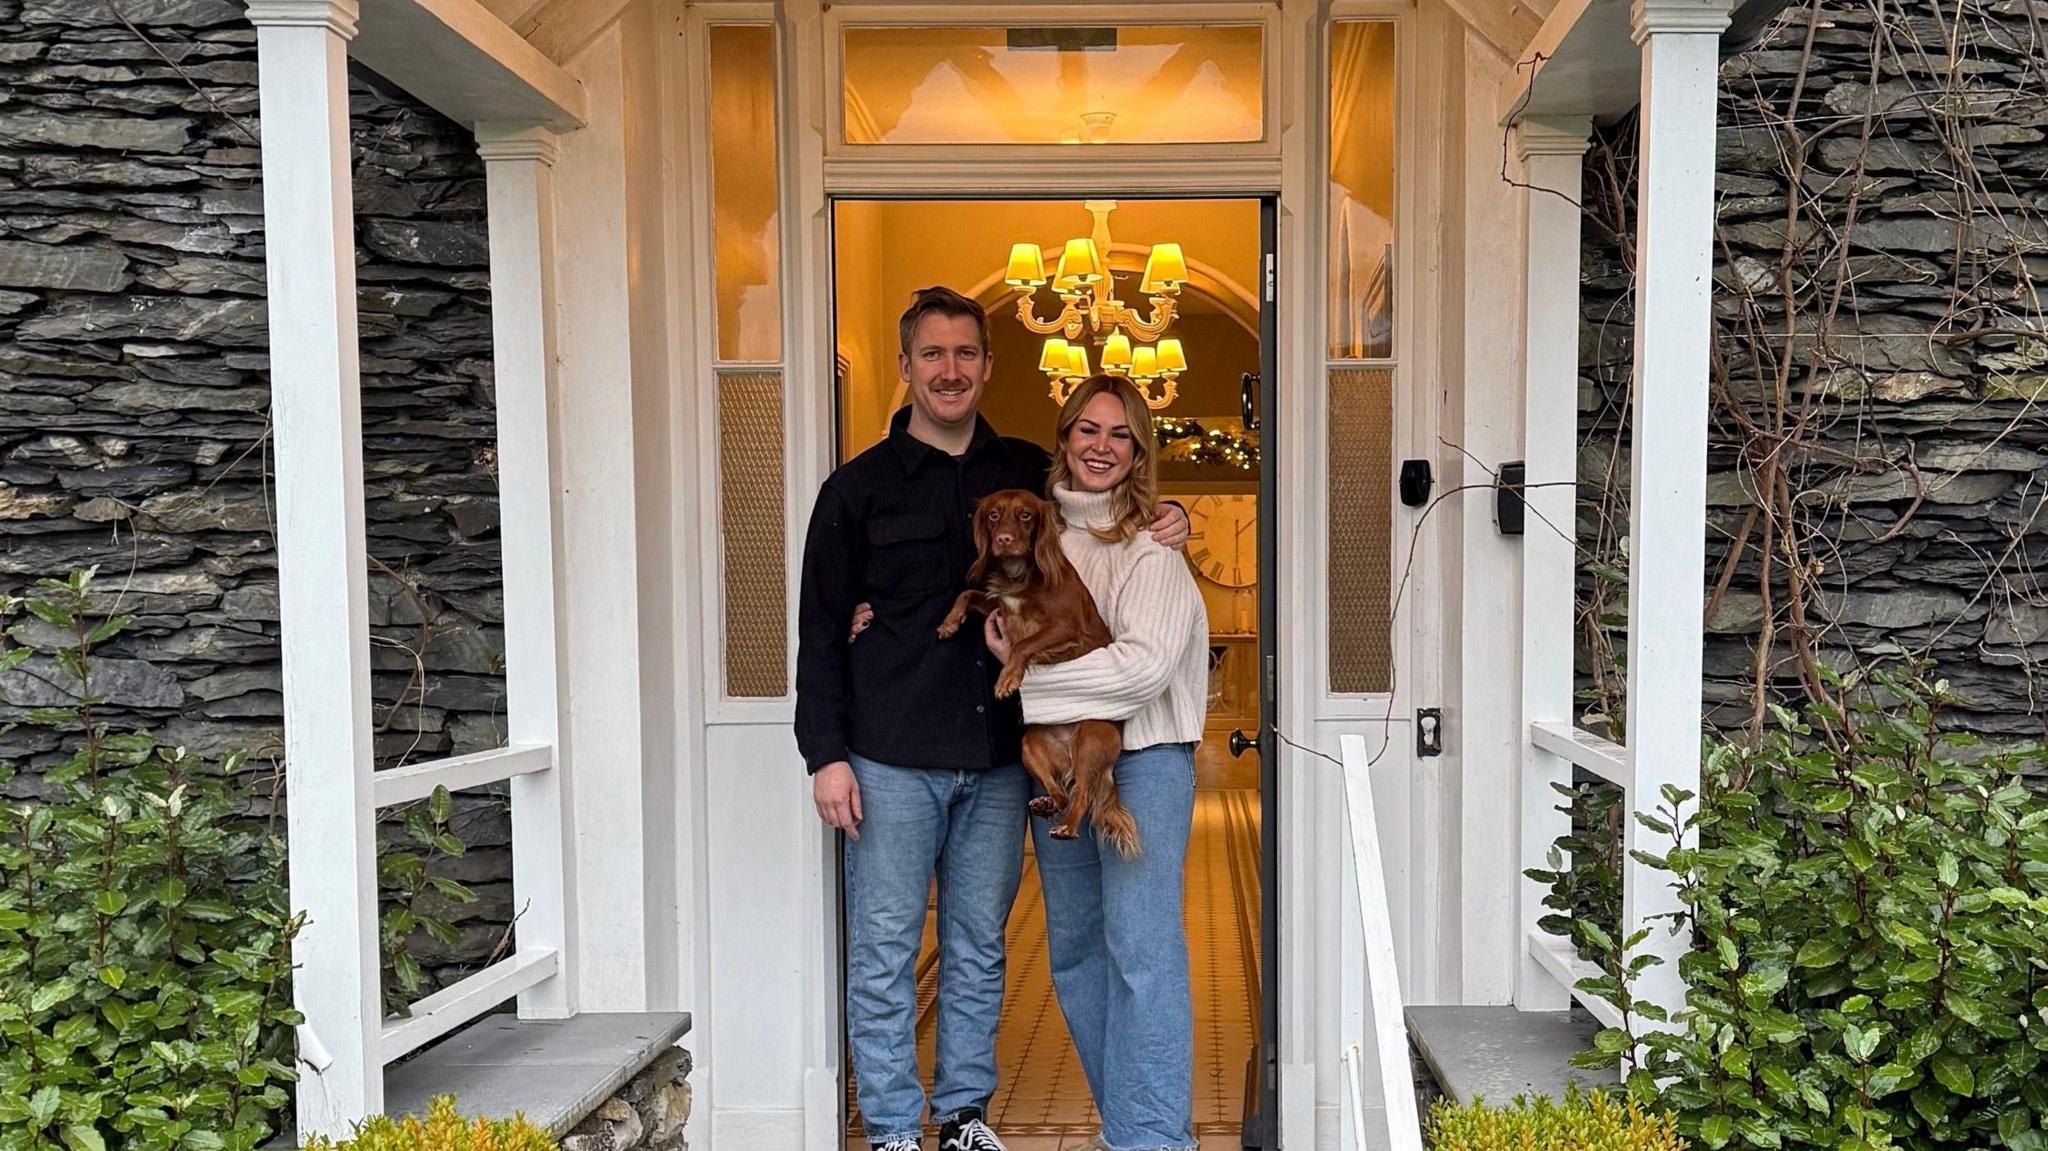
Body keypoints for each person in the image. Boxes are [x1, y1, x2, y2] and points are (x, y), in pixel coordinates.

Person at [795, 289, 1188, 1151]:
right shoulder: (854, 490)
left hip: (1000, 760)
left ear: (986, 365)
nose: (949, 369)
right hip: (891, 753)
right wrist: (825, 753)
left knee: (979, 947)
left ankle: (963, 1114)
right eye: (931, 354)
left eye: (965, 353)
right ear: (906, 366)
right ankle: (896, 1126)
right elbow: (822, 628)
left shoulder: (1021, 472)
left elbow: (1107, 505)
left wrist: (1176, 514)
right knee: (889, 948)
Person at [989, 374, 1210, 1151]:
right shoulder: (1040, 536)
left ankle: (1153, 1139)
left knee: (1142, 954)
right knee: (1077, 956)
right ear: (1065, 437)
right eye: (1089, 430)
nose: (1102, 447)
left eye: (1120, 435)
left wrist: (1029, 684)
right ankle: (1134, 1129)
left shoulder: (1154, 543)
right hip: (1060, 771)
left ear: (1139, 449)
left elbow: (1142, 670)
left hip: (1146, 764)